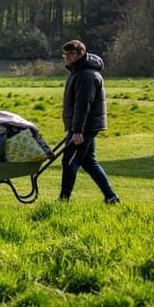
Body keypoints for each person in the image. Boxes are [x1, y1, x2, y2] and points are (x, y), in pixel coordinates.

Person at [59, 40, 120, 204]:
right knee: (88, 161)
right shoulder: (78, 72)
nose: (66, 58)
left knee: (70, 161)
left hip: (85, 126)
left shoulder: (86, 75)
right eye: (65, 54)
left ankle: (63, 200)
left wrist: (78, 131)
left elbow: (82, 105)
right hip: (82, 125)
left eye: (70, 54)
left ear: (81, 54)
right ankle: (111, 197)